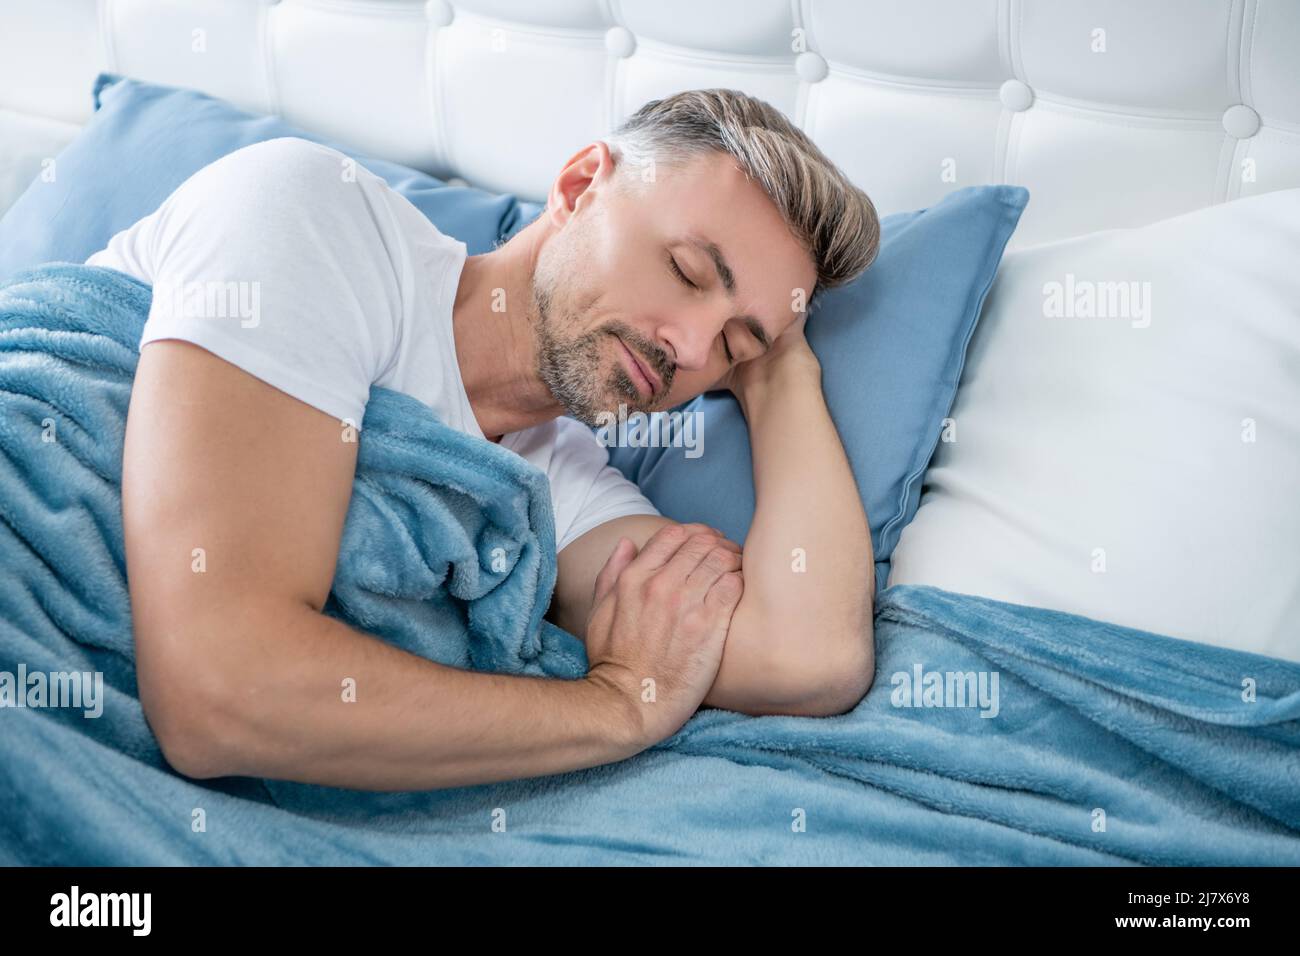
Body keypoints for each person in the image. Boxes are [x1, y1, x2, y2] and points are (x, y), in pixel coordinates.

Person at [90, 89, 880, 790]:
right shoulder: (318, 217)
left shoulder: (549, 492)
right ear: (579, 188)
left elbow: (807, 657)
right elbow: (218, 691)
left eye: (735, 346)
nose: (693, 350)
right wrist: (614, 708)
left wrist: (780, 380)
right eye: (685, 272)